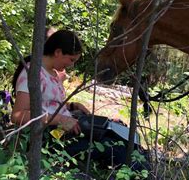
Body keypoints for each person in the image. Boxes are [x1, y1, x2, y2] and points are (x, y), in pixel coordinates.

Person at [11, 29, 140, 170]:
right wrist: (61, 119)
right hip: (48, 139)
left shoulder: (53, 73)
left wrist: (72, 105)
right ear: (58, 52)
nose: (71, 65)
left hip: (65, 130)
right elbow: (18, 115)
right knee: (113, 147)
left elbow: (47, 103)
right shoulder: (32, 73)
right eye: (71, 59)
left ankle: (136, 171)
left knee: (115, 133)